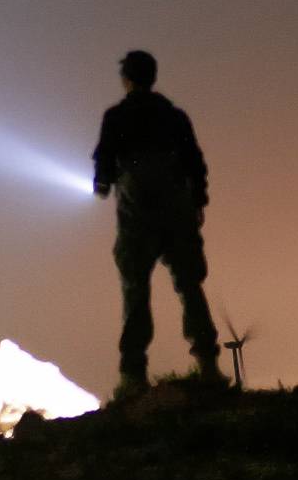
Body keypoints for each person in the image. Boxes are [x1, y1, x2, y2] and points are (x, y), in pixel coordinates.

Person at [92, 48, 220, 394]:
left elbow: (104, 159)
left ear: (127, 79)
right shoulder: (175, 117)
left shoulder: (116, 117)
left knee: (135, 289)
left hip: (136, 215)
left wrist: (102, 183)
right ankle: (208, 364)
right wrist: (198, 199)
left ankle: (133, 376)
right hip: (177, 211)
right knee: (190, 285)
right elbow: (195, 161)